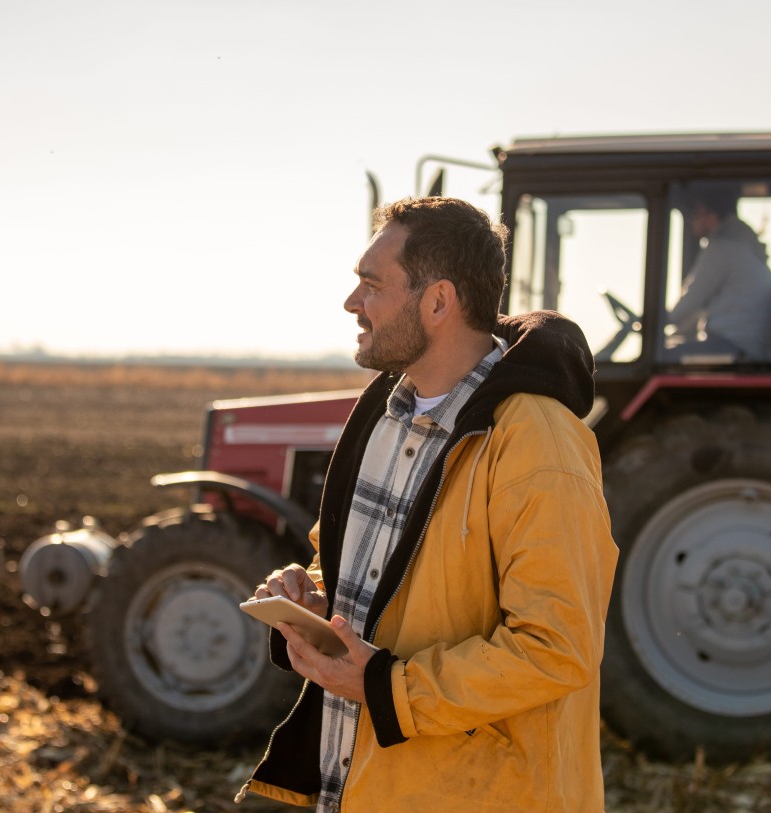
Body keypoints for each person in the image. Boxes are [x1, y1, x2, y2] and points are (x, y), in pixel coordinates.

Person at [238, 196, 618, 812]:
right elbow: (365, 572)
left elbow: (557, 646)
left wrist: (388, 688)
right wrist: (309, 594)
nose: (351, 303)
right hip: (371, 786)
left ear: (438, 302)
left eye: (370, 284)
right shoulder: (383, 416)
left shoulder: (536, 443)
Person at [665, 185, 771, 359]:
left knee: (663, 358)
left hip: (731, 346)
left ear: (704, 211)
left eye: (692, 214)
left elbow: (690, 301)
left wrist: (653, 323)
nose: (691, 222)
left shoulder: (722, 249)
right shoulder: (744, 247)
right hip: (745, 345)